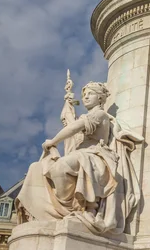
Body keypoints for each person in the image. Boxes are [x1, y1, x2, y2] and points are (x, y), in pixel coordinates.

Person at [16, 82, 143, 235]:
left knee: (61, 167)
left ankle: (75, 209)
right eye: (84, 95)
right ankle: (63, 211)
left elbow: (74, 127)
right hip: (82, 155)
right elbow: (72, 125)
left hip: (96, 156)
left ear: (101, 97)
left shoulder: (100, 114)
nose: (85, 97)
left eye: (90, 93)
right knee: (36, 168)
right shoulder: (88, 116)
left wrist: (53, 141)